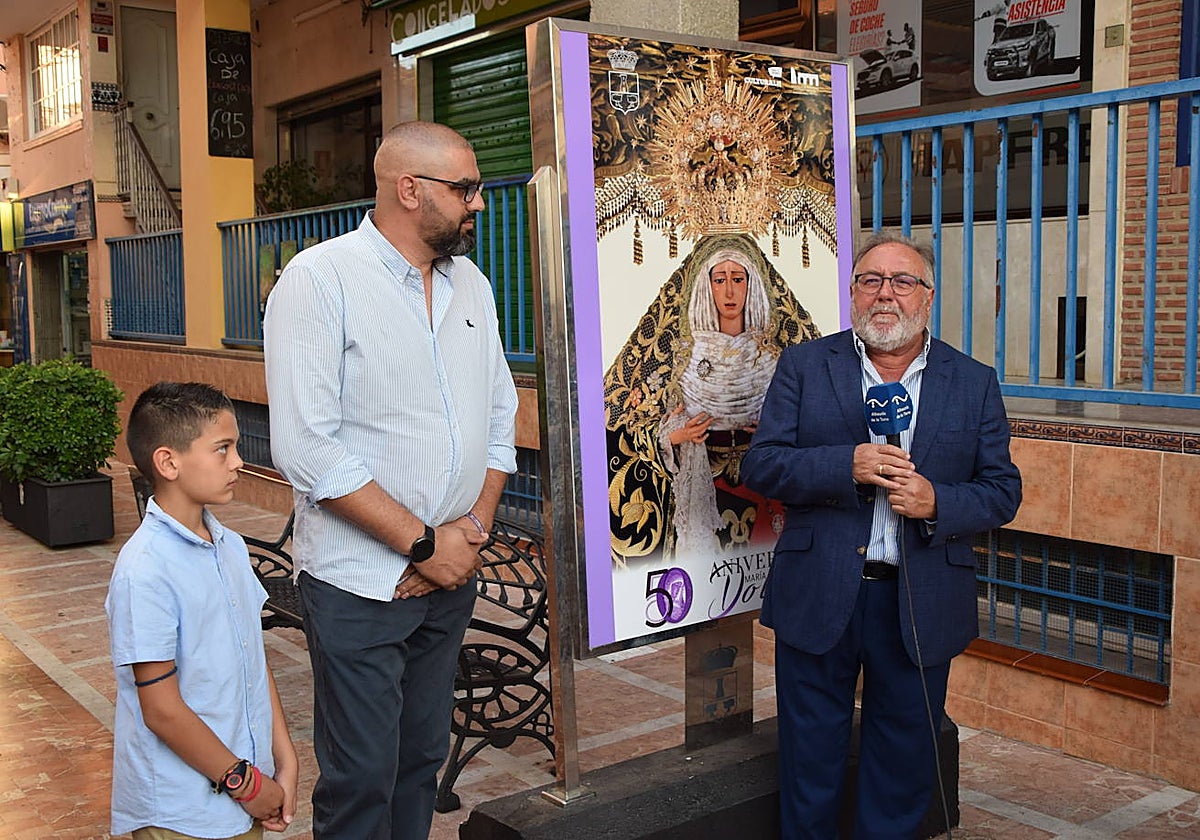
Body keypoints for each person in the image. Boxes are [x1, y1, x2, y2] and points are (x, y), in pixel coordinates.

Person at [263, 121, 518, 840]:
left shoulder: (471, 283)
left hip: (450, 573)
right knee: (361, 777)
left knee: (420, 761)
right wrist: (419, 544)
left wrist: (467, 534)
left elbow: (500, 413)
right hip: (359, 585)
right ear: (409, 189)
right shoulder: (320, 279)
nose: (478, 204)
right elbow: (307, 446)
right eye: (465, 188)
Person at [742, 230, 1021, 838]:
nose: (885, 294)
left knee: (903, 763)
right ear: (853, 294)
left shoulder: (973, 382)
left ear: (927, 296)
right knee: (810, 759)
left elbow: (1003, 492)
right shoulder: (806, 366)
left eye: (902, 281)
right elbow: (761, 465)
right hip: (819, 593)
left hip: (918, 600)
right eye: (871, 280)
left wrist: (937, 500)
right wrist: (847, 465)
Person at [106, 382, 298, 840]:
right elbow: (162, 710)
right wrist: (247, 785)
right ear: (169, 462)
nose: (238, 462)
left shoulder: (229, 546)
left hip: (243, 792)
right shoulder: (145, 569)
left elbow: (252, 657)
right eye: (222, 449)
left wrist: (284, 758)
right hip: (181, 811)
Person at [603, 232, 819, 566]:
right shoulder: (676, 356)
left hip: (763, 486)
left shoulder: (780, 355)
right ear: (706, 285)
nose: (730, 291)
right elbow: (617, 420)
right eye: (720, 280)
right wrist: (674, 437)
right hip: (699, 486)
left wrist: (781, 431)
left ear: (753, 284)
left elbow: (823, 416)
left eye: (738, 278)